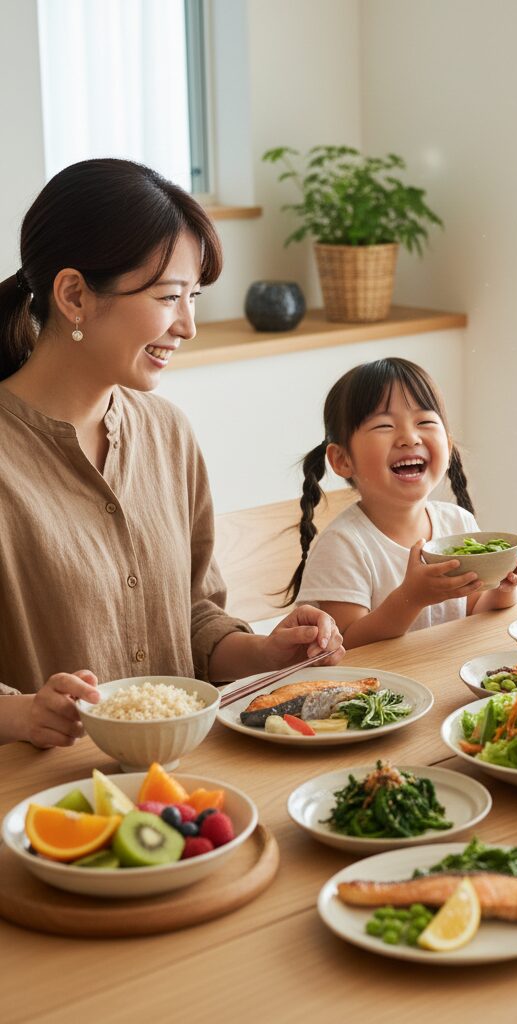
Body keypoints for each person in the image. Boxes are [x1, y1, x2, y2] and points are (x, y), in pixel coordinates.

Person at [0, 158, 344, 748]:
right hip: (50, 793)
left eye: (194, 297)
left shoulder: (167, 433)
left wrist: (266, 650)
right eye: (168, 297)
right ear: (74, 295)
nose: (187, 325)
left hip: (186, 777)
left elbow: (193, 617)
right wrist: (23, 714)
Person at [284, 357, 517, 647]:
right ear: (342, 460)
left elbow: (476, 613)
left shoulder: (458, 522)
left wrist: (502, 587)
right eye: (384, 426)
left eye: (424, 422)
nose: (409, 438)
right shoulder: (343, 545)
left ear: (448, 444)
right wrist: (411, 598)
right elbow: (346, 646)